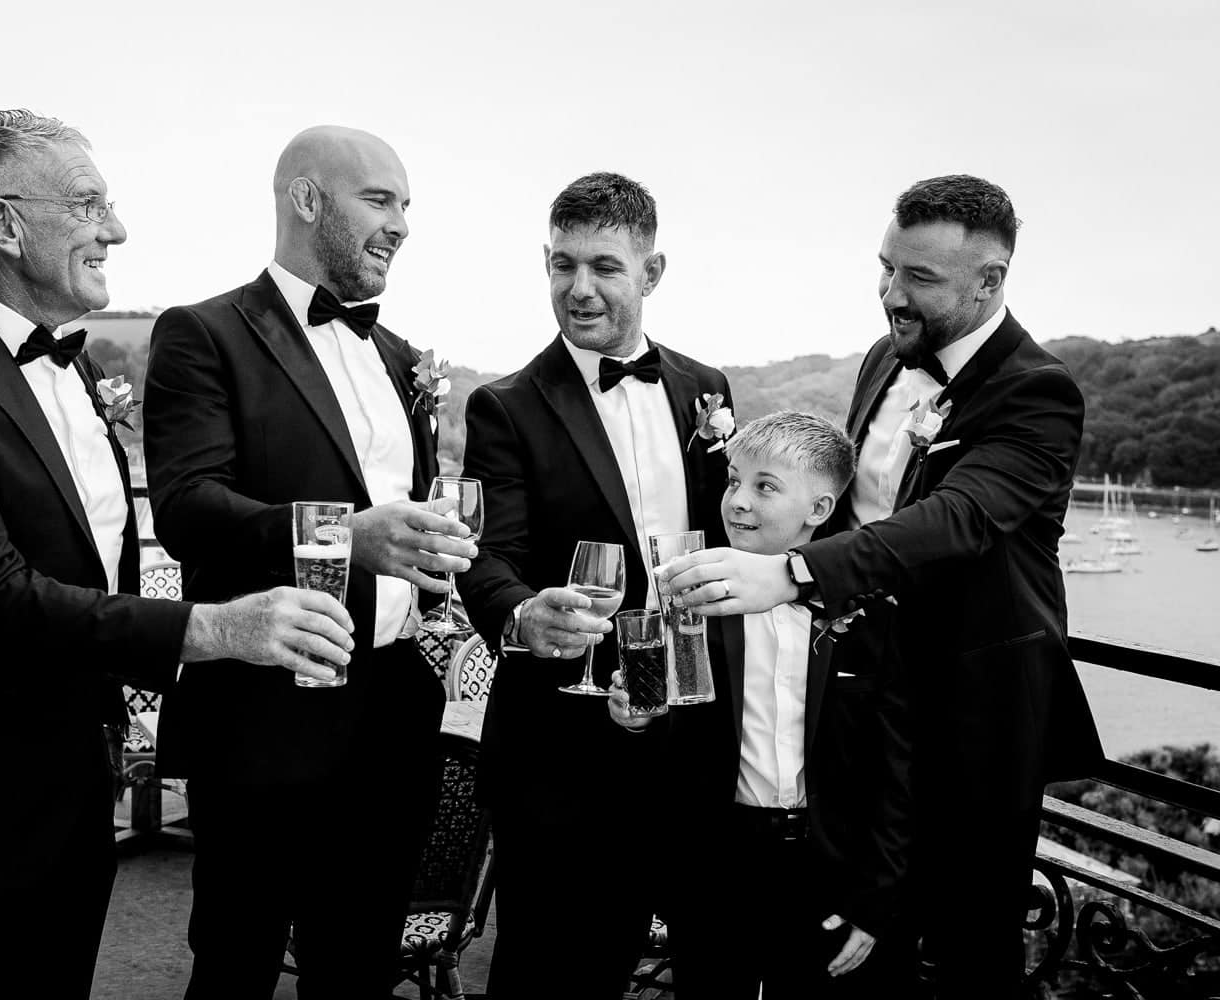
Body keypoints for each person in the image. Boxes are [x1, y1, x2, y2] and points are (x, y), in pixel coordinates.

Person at [0, 109, 355, 1000]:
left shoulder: (77, 369)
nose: (116, 227)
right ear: (4, 224)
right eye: (87, 204)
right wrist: (213, 628)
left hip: (68, 787)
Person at [658, 174, 1105, 999]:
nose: (892, 294)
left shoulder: (1040, 392)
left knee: (971, 948)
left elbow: (956, 520)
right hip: (863, 704)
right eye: (886, 267)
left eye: (920, 279)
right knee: (859, 942)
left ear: (990, 281)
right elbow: (850, 512)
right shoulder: (882, 359)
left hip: (975, 713)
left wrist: (790, 575)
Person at [142, 124, 476, 998]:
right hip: (263, 708)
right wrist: (345, 534)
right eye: (380, 199)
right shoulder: (202, 334)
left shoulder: (401, 358)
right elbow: (186, 507)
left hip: (394, 706)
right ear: (306, 199)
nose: (401, 223)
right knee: (238, 963)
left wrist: (432, 554)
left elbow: (407, 513)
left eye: (407, 206)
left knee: (359, 966)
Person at [458, 172, 732, 997]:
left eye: (605, 267)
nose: (579, 289)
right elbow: (486, 557)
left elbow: (734, 535)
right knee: (552, 973)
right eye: (562, 264)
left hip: (694, 738)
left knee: (714, 962)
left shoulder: (705, 389)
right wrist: (523, 615)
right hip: (562, 748)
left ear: (651, 274)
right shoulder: (503, 406)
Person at [611, 411, 912, 998]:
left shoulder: (874, 612)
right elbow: (672, 735)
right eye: (732, 480)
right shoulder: (690, 595)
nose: (738, 501)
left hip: (829, 867)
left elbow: (898, 768)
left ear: (820, 510)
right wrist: (638, 719)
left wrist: (878, 895)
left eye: (764, 486)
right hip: (716, 865)